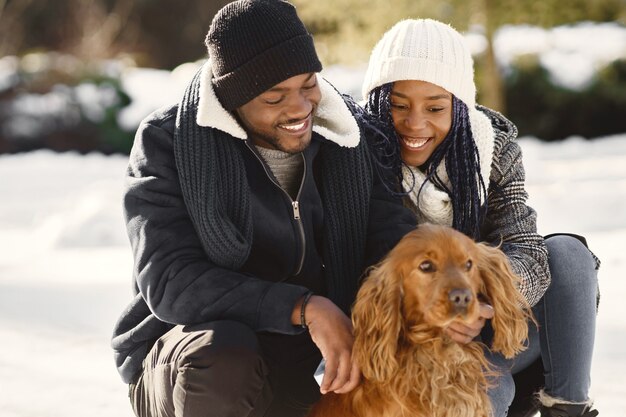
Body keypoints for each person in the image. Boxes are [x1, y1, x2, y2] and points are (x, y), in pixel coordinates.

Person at [110, 2, 417, 417]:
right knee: (224, 356)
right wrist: (304, 307)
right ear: (232, 98)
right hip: (194, 364)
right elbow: (171, 281)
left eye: (308, 84)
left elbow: (391, 242)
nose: (300, 108)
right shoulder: (169, 143)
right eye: (275, 97)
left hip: (315, 362)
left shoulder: (348, 137)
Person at [361, 19, 600, 417]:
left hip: (491, 319)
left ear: (459, 105)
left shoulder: (491, 149)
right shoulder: (358, 157)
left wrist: (479, 298)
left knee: (568, 256)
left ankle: (568, 407)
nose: (415, 123)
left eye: (435, 107)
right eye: (398, 106)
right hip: (410, 338)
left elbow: (525, 246)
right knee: (489, 390)